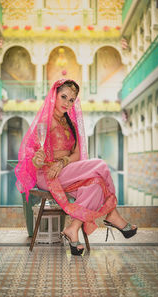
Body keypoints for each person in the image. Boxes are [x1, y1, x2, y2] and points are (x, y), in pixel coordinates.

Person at [15, 79, 137, 256]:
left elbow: (77, 155)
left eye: (71, 100)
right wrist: (37, 160)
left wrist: (62, 162)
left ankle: (73, 229)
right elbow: (31, 156)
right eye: (63, 97)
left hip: (64, 170)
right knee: (101, 165)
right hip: (47, 174)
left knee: (95, 185)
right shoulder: (45, 120)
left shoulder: (70, 122)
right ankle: (112, 214)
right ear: (54, 95)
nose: (67, 103)